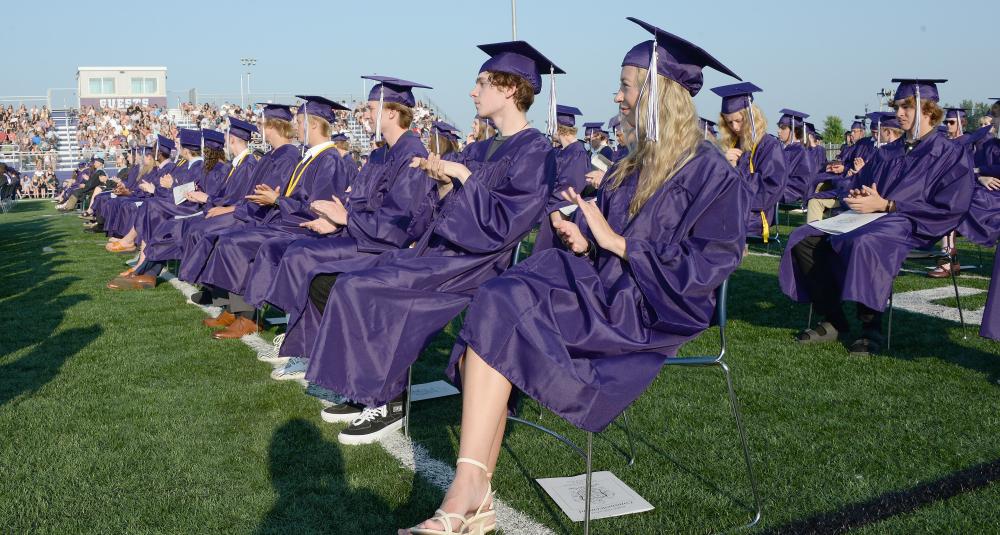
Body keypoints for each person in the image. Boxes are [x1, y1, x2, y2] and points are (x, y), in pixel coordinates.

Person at [401, 17, 747, 534]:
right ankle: (472, 489)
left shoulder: (711, 172)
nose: (619, 97)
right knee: (500, 295)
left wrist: (617, 243)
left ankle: (471, 493)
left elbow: (707, 266)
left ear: (656, 94)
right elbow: (603, 234)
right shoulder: (633, 164)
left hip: (646, 309)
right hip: (600, 285)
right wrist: (585, 235)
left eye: (627, 86)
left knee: (504, 304)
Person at [304, 40, 561, 446]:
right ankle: (362, 389)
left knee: (374, 289)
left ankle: (388, 403)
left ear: (510, 88)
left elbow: (505, 225)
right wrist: (443, 186)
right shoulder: (480, 147)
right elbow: (441, 213)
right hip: (442, 252)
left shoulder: (536, 151)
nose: (472, 92)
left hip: (478, 265)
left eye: (481, 83)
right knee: (351, 282)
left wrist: (462, 176)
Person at [241, 76, 438, 381]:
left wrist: (345, 220)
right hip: (362, 233)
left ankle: (305, 349)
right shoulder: (380, 154)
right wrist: (333, 219)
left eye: (371, 108)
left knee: (304, 256)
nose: (365, 114)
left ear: (391, 112)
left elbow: (400, 222)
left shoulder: (412, 155)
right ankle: (302, 345)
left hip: (383, 244)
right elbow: (355, 201)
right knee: (299, 251)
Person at [780, 78, 974, 355]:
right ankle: (834, 318)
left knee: (866, 242)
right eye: (898, 106)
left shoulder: (949, 153)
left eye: (907, 107)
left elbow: (952, 206)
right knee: (805, 237)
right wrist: (856, 193)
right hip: (871, 218)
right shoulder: (890, 152)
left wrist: (888, 205)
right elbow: (861, 180)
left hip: (913, 224)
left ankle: (871, 330)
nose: (899, 113)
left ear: (929, 110)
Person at [194, 95, 354, 339]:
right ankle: (237, 310)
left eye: (299, 122)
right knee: (232, 238)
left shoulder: (329, 160)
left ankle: (247, 316)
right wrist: (277, 198)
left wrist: (277, 201)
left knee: (238, 242)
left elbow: (319, 207)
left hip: (301, 228)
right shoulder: (311, 157)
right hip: (285, 222)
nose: (295, 128)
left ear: (313, 124)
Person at [713, 82, 787, 243]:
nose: (735, 127)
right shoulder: (730, 145)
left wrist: (733, 170)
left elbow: (770, 188)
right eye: (729, 122)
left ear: (751, 116)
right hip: (728, 209)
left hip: (753, 214)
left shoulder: (769, 145)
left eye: (738, 120)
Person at [533, 104, 589, 252]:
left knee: (552, 215)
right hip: (552, 199)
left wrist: (546, 197)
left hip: (563, 201)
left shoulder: (578, 153)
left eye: (551, 126)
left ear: (559, 128)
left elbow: (571, 186)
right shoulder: (559, 151)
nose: (549, 131)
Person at [777, 109, 816, 204]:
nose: (778, 131)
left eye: (783, 128)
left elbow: (800, 183)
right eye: (779, 127)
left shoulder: (802, 152)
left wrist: (774, 191)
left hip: (789, 197)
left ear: (794, 130)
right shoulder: (781, 149)